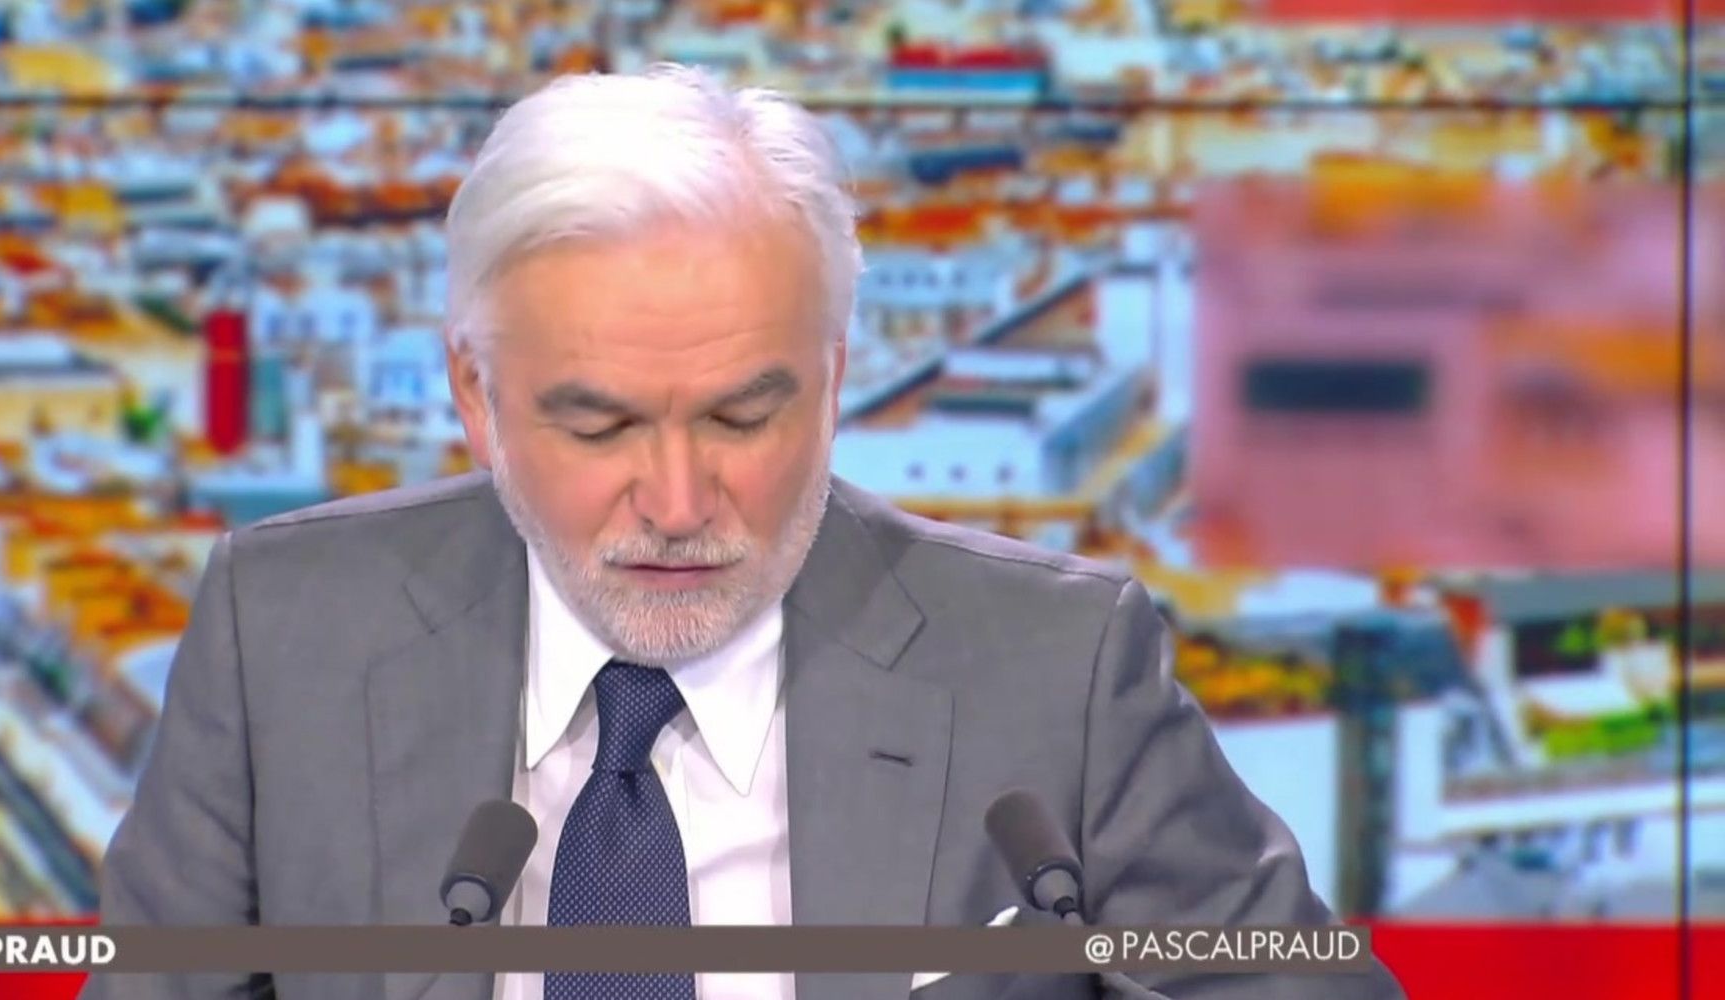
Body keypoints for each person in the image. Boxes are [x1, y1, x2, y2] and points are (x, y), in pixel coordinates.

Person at [84, 65, 1406, 1000]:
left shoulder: (1057, 671)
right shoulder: (284, 637)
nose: (676, 502)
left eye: (742, 416)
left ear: (832, 384)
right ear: (475, 399)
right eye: (599, 425)